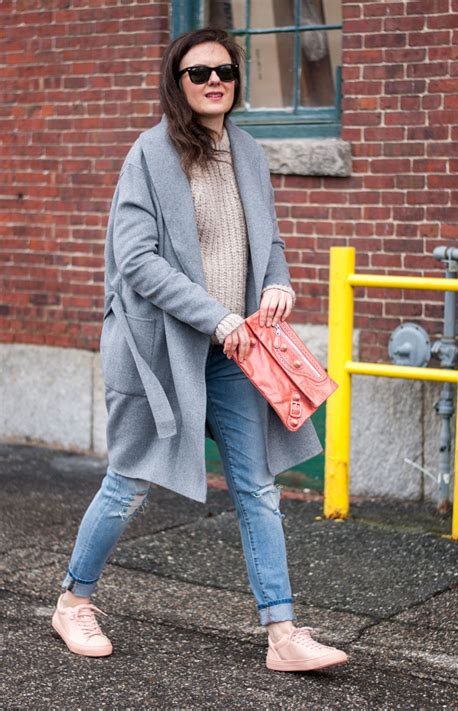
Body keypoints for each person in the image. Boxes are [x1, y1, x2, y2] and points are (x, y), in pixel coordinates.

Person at [51, 27, 349, 673]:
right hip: (161, 350)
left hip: (236, 348)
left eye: (225, 70)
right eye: (198, 72)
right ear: (177, 83)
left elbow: (265, 239)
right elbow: (136, 260)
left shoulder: (247, 151)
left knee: (258, 485)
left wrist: (278, 283)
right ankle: (73, 598)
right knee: (129, 482)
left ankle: (282, 632)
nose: (215, 80)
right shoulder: (151, 154)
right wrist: (215, 316)